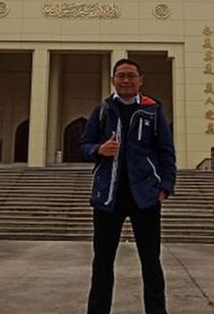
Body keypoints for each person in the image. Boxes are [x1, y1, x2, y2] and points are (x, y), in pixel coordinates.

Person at [81, 58, 176, 314]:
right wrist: (99, 149)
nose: (126, 80)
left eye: (131, 76)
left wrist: (165, 186)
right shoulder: (102, 110)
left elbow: (166, 152)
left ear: (140, 80)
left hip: (144, 196)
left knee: (151, 262)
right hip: (108, 197)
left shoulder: (152, 110)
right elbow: (85, 145)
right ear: (113, 80)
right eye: (121, 76)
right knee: (102, 263)